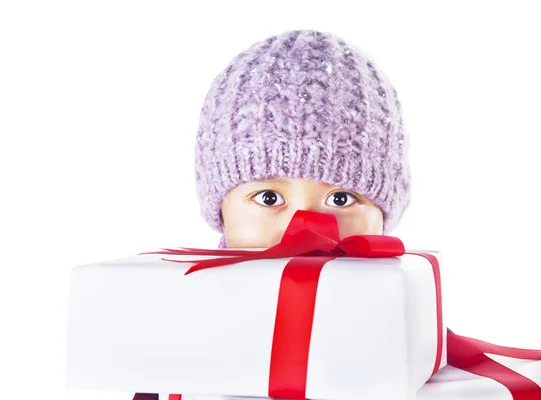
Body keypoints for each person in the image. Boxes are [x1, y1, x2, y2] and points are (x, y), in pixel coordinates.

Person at [133, 28, 411, 400]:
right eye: (267, 197)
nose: (302, 230)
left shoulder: (411, 349)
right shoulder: (174, 357)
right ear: (221, 209)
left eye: (341, 199)